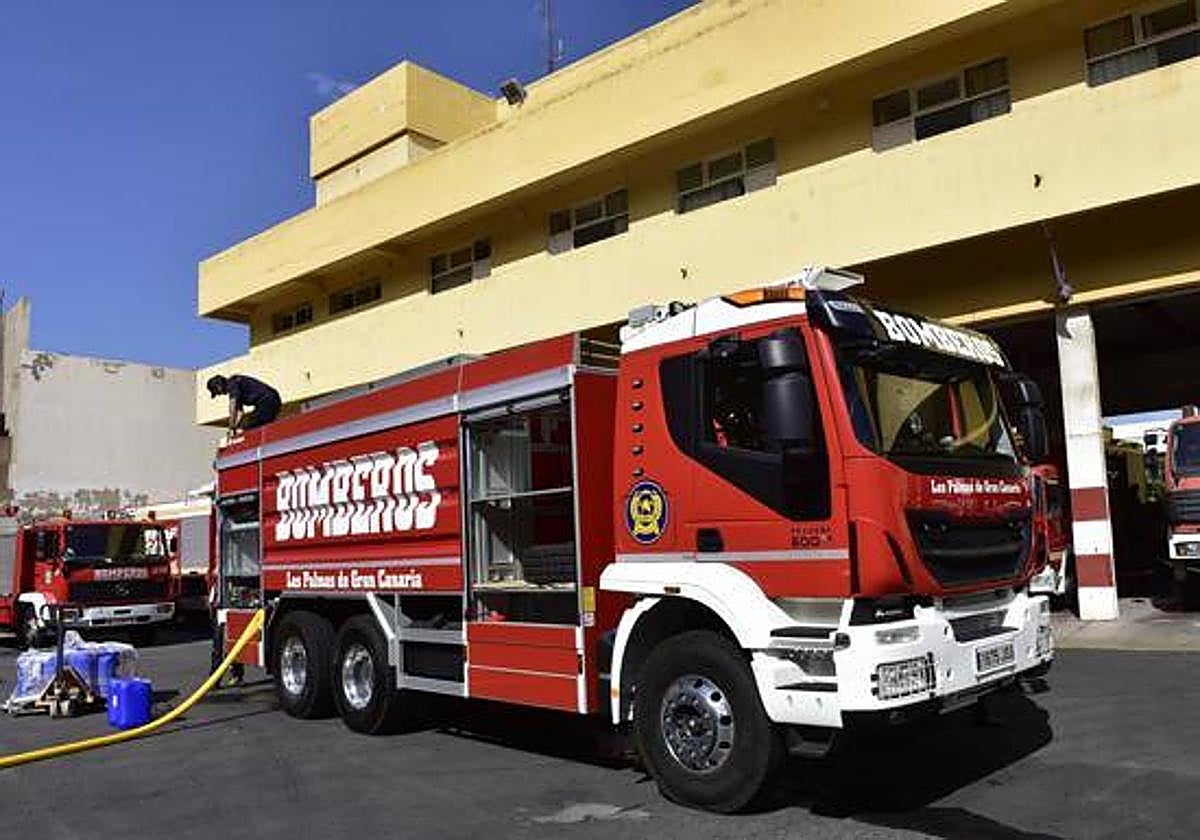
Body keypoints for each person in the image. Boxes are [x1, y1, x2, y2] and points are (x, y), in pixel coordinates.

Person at [206, 374, 281, 432]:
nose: (219, 395)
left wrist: (231, 426)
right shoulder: (236, 389)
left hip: (268, 400)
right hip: (270, 400)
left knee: (251, 427)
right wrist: (235, 427)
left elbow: (233, 406)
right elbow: (240, 412)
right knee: (257, 425)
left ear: (218, 386)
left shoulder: (232, 383)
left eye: (217, 392)